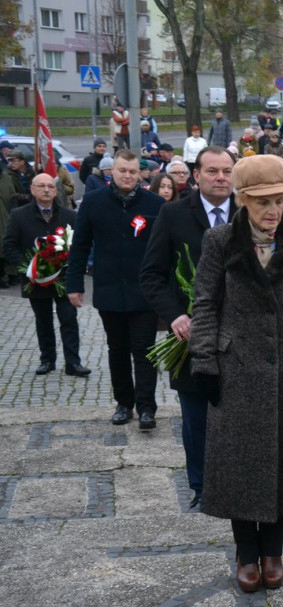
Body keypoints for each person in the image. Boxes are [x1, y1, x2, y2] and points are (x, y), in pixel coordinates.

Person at [187, 154, 283, 593]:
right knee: (240, 467)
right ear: (243, 200)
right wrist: (205, 363)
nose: (273, 211)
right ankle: (245, 554)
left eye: (280, 200)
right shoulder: (219, 240)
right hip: (236, 372)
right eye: (263, 202)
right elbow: (206, 304)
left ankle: (274, 552)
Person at [140, 146, 236, 511]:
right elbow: (151, 274)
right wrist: (177, 315)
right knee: (196, 417)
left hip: (242, 336)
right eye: (212, 171)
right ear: (196, 175)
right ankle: (201, 487)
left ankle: (236, 483)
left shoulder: (248, 214)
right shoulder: (173, 214)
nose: (221, 178)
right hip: (190, 336)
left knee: (239, 416)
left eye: (227, 171)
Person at [67, 150, 166, 429]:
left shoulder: (155, 204)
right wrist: (74, 285)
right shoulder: (93, 202)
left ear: (141, 174)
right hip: (109, 290)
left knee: (145, 351)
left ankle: (147, 408)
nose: (127, 176)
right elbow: (80, 246)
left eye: (133, 172)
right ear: (112, 172)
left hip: (144, 291)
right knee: (117, 349)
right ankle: (124, 403)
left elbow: (164, 250)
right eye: (123, 170)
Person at [2, 174, 90, 377]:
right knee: (43, 320)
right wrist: (28, 268)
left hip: (63, 278)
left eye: (50, 186)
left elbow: (79, 245)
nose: (46, 190)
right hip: (35, 280)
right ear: (32, 189)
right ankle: (47, 359)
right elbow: (9, 245)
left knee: (69, 318)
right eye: (41, 186)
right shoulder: (19, 215)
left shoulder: (69, 216)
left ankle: (73, 362)